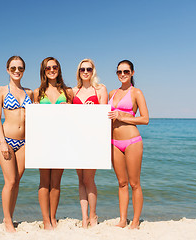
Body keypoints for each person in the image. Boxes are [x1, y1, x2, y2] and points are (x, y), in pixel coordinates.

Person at [0, 56, 33, 232]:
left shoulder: (29, 93)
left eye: (20, 68)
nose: (17, 71)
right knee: (9, 181)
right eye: (13, 68)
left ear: (24, 70)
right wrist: (2, 141)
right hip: (6, 140)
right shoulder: (1, 91)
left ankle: (9, 214)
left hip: (24, 142)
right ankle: (8, 220)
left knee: (17, 181)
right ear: (7, 70)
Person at [108, 60, 149, 229]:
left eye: (126, 71)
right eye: (119, 72)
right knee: (121, 183)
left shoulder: (136, 92)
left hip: (132, 141)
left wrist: (122, 116)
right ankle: (123, 220)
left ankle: (135, 221)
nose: (122, 74)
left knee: (134, 183)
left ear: (132, 72)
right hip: (114, 142)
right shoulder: (112, 92)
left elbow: (145, 119)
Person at [33, 57, 73, 229]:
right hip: (42, 140)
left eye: (54, 67)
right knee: (44, 181)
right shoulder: (37, 92)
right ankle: (45, 219)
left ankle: (53, 217)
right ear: (43, 70)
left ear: (59, 69)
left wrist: (68, 107)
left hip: (61, 140)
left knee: (56, 182)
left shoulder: (67, 91)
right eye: (47, 67)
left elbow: (75, 117)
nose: (51, 70)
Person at [72, 59, 108, 228]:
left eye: (88, 69)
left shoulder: (100, 89)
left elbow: (103, 114)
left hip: (93, 139)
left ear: (93, 70)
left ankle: (93, 214)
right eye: (82, 69)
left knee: (89, 179)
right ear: (78, 72)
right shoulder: (73, 91)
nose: (85, 71)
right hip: (77, 139)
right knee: (80, 179)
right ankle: (84, 217)